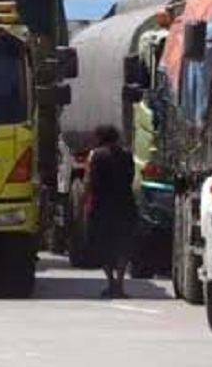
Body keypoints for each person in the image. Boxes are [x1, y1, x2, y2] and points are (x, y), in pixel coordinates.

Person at [83, 124, 138, 299]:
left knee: (103, 245)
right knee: (123, 245)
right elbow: (131, 178)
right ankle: (120, 284)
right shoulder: (127, 155)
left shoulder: (95, 155)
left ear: (100, 138)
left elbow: (88, 181)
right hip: (125, 205)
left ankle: (111, 282)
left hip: (102, 207)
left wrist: (85, 203)